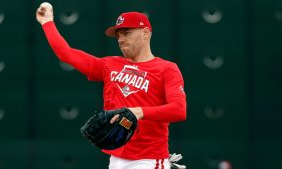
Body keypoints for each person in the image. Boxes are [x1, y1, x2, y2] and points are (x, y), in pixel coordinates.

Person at [36, 2, 187, 169]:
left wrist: (139, 111)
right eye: (118, 35)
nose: (121, 39)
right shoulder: (109, 65)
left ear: (145, 33)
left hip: (149, 159)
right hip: (116, 158)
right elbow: (66, 53)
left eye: (126, 33)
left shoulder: (167, 69)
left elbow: (179, 110)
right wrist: (47, 22)